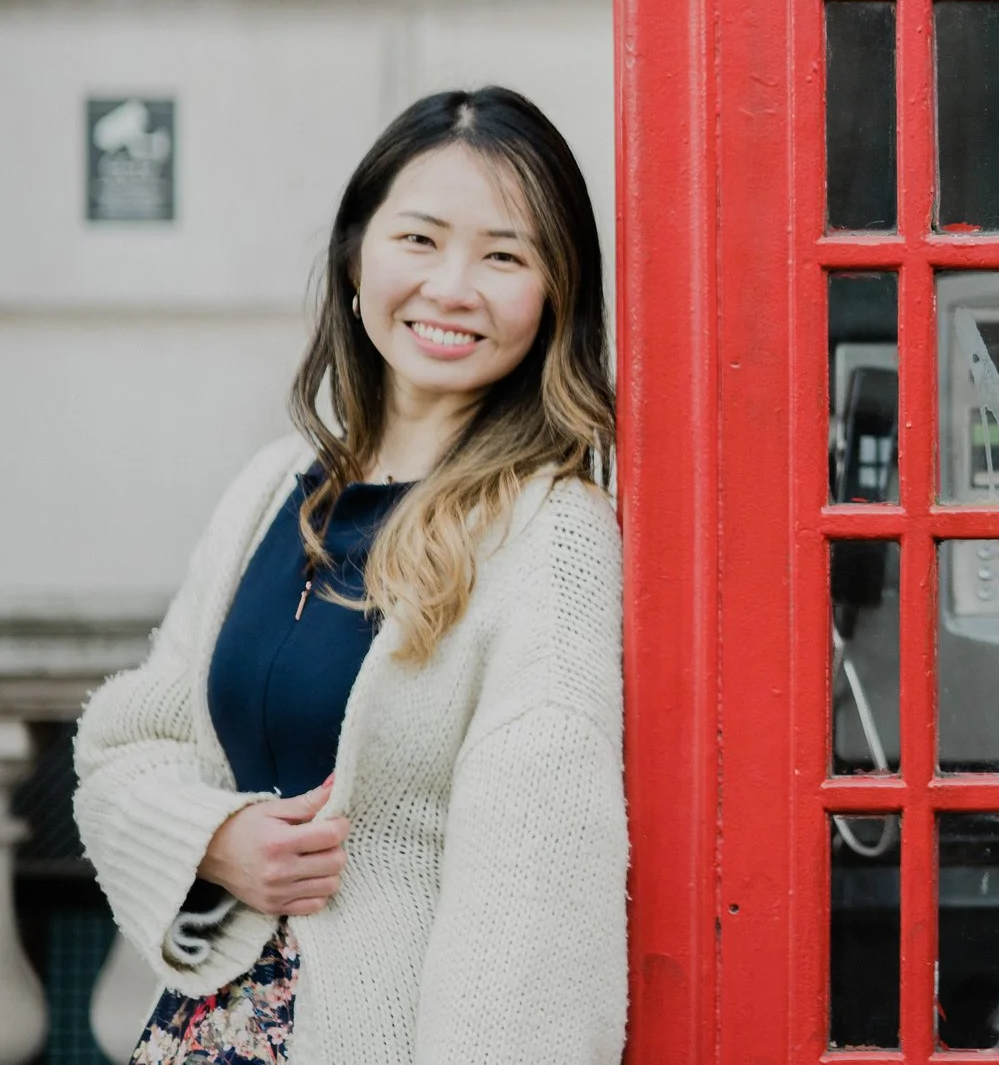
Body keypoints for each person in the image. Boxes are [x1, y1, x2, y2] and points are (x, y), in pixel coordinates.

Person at [75, 88, 627, 1064]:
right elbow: (130, 738)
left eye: (505, 256)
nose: (452, 286)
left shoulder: (550, 532)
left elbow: (532, 911)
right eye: (420, 238)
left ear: (556, 294)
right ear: (355, 256)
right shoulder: (274, 486)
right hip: (199, 1027)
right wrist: (213, 838)